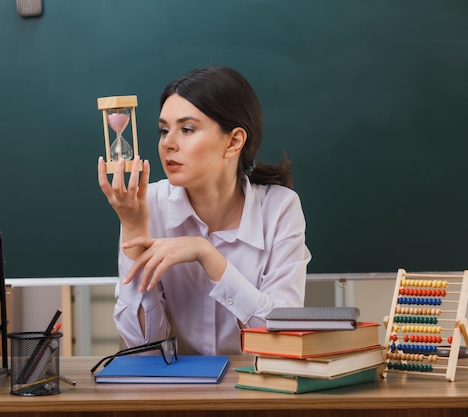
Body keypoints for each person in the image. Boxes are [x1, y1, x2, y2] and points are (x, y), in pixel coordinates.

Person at [97, 66, 311, 355]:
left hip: (254, 389)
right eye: (163, 130)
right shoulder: (148, 203)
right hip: (177, 393)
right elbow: (143, 348)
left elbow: (281, 336)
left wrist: (206, 253)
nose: (167, 144)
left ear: (233, 141)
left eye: (186, 129)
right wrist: (133, 228)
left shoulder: (280, 208)